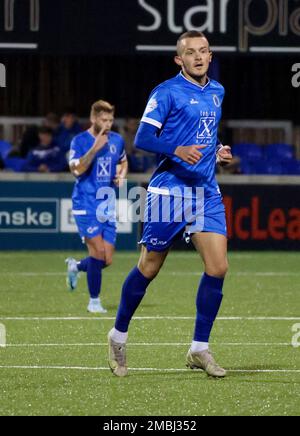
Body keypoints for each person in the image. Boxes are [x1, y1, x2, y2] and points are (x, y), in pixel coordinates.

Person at [108, 31, 233, 377]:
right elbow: (144, 137)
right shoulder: (166, 92)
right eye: (190, 52)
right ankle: (117, 335)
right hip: (169, 193)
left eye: (203, 51)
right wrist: (176, 149)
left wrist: (218, 150)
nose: (198, 57)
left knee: (218, 267)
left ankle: (199, 349)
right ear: (179, 59)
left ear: (210, 55)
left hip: (205, 191)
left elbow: (206, 132)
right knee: (149, 266)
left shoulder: (218, 91)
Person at [66, 100, 128, 314]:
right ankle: (94, 301)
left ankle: (76, 266)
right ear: (93, 119)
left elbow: (122, 162)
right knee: (98, 252)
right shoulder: (80, 141)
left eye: (110, 120)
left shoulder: (117, 140)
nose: (107, 124)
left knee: (106, 259)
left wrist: (121, 175)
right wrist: (94, 149)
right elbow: (76, 170)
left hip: (107, 204)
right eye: (103, 120)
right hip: (85, 202)